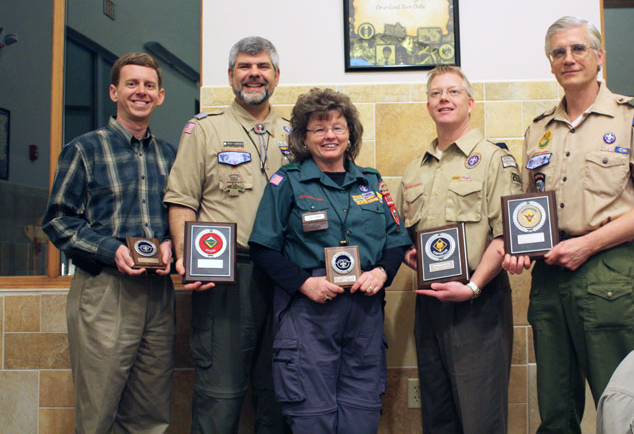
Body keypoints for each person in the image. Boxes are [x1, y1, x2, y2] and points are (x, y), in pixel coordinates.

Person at [504, 16, 634, 433]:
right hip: (548, 276)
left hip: (605, 271)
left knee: (621, 402)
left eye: (578, 48)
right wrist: (520, 247)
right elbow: (531, 210)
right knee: (555, 409)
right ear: (550, 64)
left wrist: (588, 245)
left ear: (598, 56)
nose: (569, 58)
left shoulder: (632, 116)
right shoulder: (538, 130)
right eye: (558, 52)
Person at [248, 88, 411, 433]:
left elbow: (397, 241)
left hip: (364, 312)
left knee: (362, 414)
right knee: (311, 416)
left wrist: (382, 272)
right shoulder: (286, 183)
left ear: (350, 132)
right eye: (319, 129)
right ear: (303, 138)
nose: (330, 136)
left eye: (338, 127)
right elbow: (263, 247)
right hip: (309, 311)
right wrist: (304, 283)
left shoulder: (372, 181)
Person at [42, 52, 176, 433]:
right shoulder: (84, 149)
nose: (141, 92)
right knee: (99, 412)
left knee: (151, 415)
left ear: (161, 96)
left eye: (149, 85)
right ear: (115, 91)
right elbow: (57, 220)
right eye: (132, 84)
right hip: (105, 292)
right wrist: (109, 249)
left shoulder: (169, 155)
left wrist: (171, 243)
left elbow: (180, 215)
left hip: (157, 294)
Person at [163, 36, 290, 433]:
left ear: (276, 75)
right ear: (231, 75)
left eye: (262, 66)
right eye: (245, 67)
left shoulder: (296, 134)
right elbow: (182, 199)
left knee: (280, 394)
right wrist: (186, 256)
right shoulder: (204, 130)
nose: (254, 74)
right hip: (225, 274)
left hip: (285, 279)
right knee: (221, 395)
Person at [396, 65, 522, 433]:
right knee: (437, 416)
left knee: (480, 416)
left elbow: (505, 236)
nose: (444, 99)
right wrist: (409, 254)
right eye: (436, 93)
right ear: (428, 105)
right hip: (430, 302)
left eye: (452, 92)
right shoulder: (415, 169)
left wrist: (472, 287)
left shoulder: (493, 159)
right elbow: (411, 236)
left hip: (477, 302)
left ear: (470, 102)